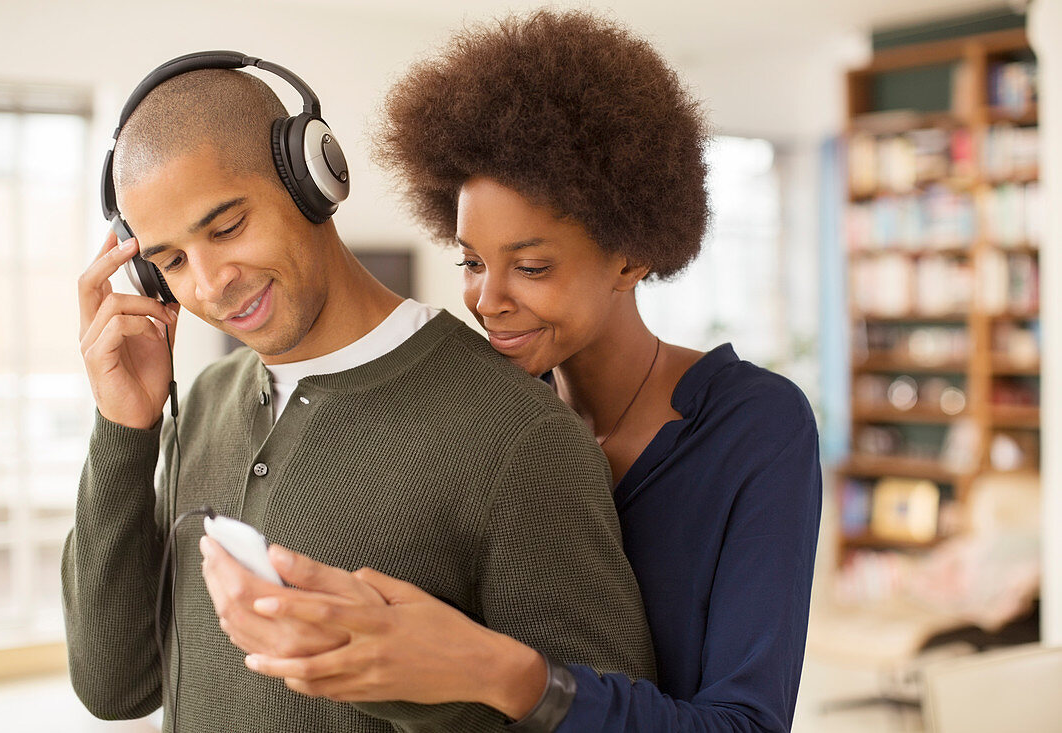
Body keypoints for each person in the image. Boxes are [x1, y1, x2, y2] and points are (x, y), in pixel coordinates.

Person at [204, 10, 823, 733]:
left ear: (631, 254)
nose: (486, 300)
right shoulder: (487, 420)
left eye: (530, 266)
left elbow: (746, 723)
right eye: (470, 260)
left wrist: (497, 669)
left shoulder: (755, 427)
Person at [63, 54, 656, 733]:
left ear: (311, 178)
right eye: (170, 260)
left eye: (227, 227)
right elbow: (114, 686)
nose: (209, 283)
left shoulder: (520, 434)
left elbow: (600, 716)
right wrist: (122, 430)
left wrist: (410, 676)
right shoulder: (200, 401)